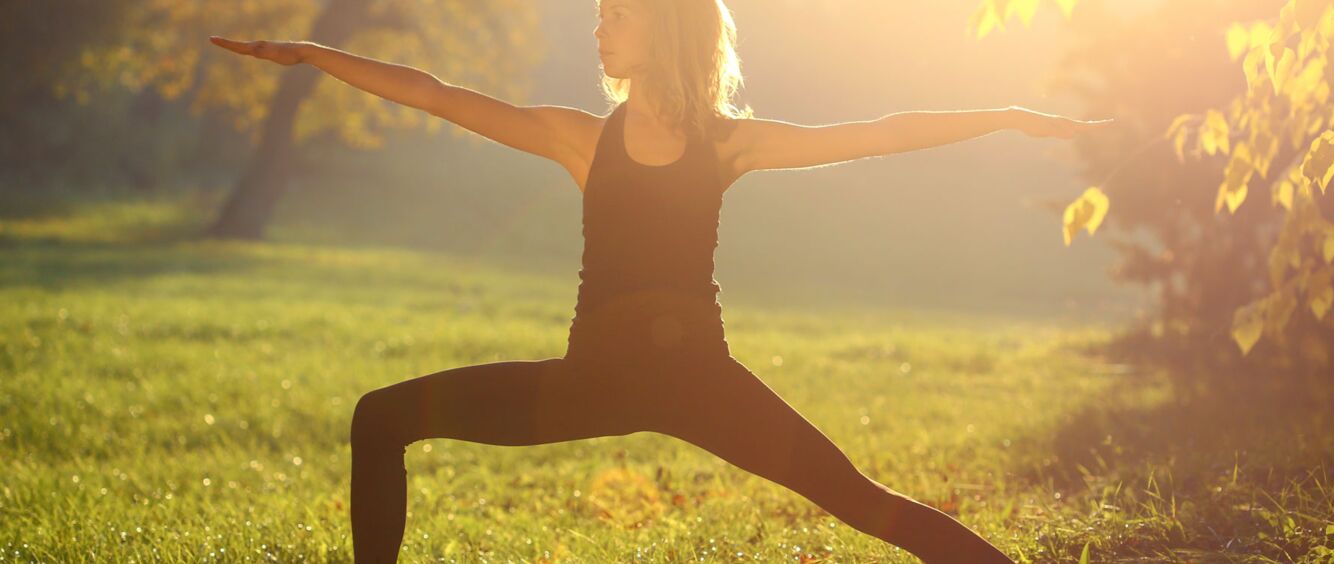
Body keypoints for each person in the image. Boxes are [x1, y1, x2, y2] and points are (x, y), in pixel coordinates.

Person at [211, 0, 1108, 561]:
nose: (598, 25)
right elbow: (437, 92)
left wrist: (1007, 115)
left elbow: (882, 131)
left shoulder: (729, 143)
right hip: (588, 385)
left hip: (701, 384)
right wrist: (316, 54)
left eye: (616, 13)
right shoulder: (579, 138)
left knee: (868, 506)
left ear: (665, 27)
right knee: (380, 418)